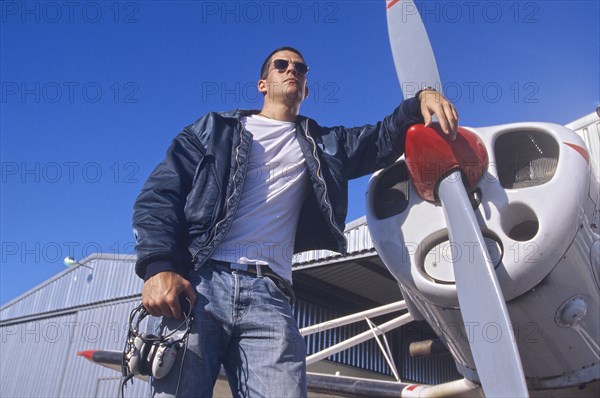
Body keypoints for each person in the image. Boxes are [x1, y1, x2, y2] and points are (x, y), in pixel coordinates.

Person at [132, 46, 458, 397]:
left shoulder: (325, 144)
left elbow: (379, 139)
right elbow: (159, 196)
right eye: (281, 65)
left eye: (301, 68)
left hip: (269, 295)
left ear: (306, 88)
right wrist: (158, 267)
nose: (293, 70)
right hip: (200, 287)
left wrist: (418, 99)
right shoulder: (212, 130)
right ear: (262, 83)